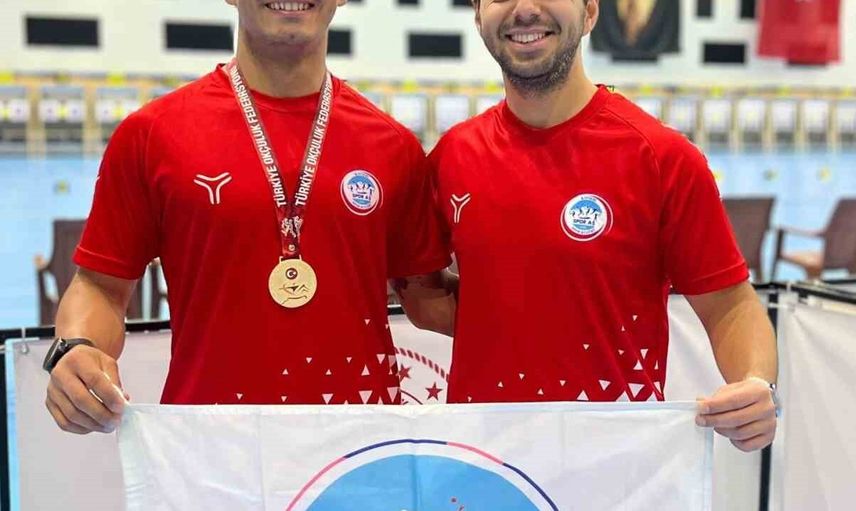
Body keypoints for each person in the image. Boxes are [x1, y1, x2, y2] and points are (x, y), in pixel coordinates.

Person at [44, 0, 454, 435]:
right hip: (210, 441)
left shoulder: (393, 148)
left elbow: (427, 296)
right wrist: (77, 349)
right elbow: (100, 286)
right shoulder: (152, 136)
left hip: (359, 445)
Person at [428, 0, 778, 452]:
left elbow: (729, 304)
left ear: (591, 12)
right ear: (478, 17)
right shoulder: (453, 155)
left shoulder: (662, 157)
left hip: (617, 459)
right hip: (485, 456)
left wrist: (756, 384)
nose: (525, 8)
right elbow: (419, 287)